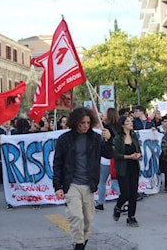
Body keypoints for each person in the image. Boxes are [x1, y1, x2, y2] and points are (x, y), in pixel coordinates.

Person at [53, 107, 113, 250]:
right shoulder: (64, 139)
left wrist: (110, 139)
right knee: (76, 216)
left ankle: (82, 239)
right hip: (72, 183)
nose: (85, 125)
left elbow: (109, 154)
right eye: (82, 123)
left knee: (87, 219)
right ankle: (79, 243)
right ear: (75, 122)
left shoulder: (96, 138)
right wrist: (58, 186)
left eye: (87, 122)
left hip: (89, 184)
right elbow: (58, 163)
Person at [112, 116, 142, 227]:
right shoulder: (118, 138)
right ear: (122, 124)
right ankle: (118, 207)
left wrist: (138, 154)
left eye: (131, 121)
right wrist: (129, 156)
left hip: (134, 167)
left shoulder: (134, 136)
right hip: (123, 168)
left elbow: (138, 149)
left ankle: (131, 216)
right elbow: (116, 155)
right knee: (125, 193)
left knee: (133, 193)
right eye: (128, 121)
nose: (130, 123)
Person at [95, 108, 119, 211]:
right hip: (117, 158)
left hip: (106, 158)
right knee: (115, 181)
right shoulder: (119, 127)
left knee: (102, 182)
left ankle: (101, 202)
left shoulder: (106, 128)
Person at [0, 119, 15, 209]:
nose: (6, 122)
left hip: (14, 160)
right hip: (1, 159)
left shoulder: (14, 131)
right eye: (4, 120)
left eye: (8, 120)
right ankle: (9, 200)